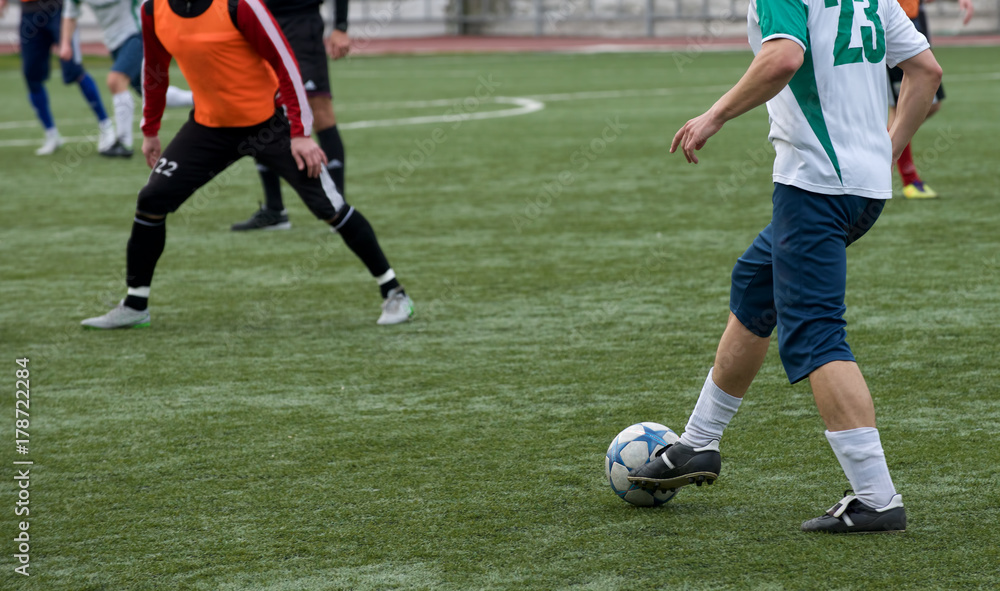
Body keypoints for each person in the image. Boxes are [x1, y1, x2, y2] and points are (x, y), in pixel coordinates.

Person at [627, 0, 942, 533]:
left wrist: (714, 114)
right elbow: (927, 72)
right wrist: (883, 151)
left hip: (816, 184)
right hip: (860, 184)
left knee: (816, 333)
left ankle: (877, 498)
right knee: (755, 287)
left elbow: (782, 59)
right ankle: (699, 444)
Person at [80, 0, 414, 328]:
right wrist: (150, 130)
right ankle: (135, 305)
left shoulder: (241, 5)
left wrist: (300, 133)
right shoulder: (153, 9)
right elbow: (153, 69)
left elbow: (286, 64)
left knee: (331, 207)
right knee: (151, 200)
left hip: (269, 124)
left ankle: (394, 292)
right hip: (208, 128)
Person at [231, 0, 351, 231]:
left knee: (320, 110)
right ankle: (275, 210)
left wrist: (341, 26)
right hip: (259, 20)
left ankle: (339, 209)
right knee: (260, 110)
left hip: (301, 23)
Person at [59, 0, 195, 157]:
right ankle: (198, 99)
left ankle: (123, 142)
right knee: (150, 94)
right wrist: (65, 44)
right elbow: (69, 15)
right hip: (114, 43)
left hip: (137, 35)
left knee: (115, 80)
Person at [1, 0, 114, 155]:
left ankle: (105, 125)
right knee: (31, 76)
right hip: (29, 12)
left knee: (74, 69)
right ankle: (51, 133)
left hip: (58, 10)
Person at [889, 0, 973, 199]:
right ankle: (909, 180)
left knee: (927, 105)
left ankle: (881, 149)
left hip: (914, 19)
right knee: (901, 109)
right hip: (893, 22)